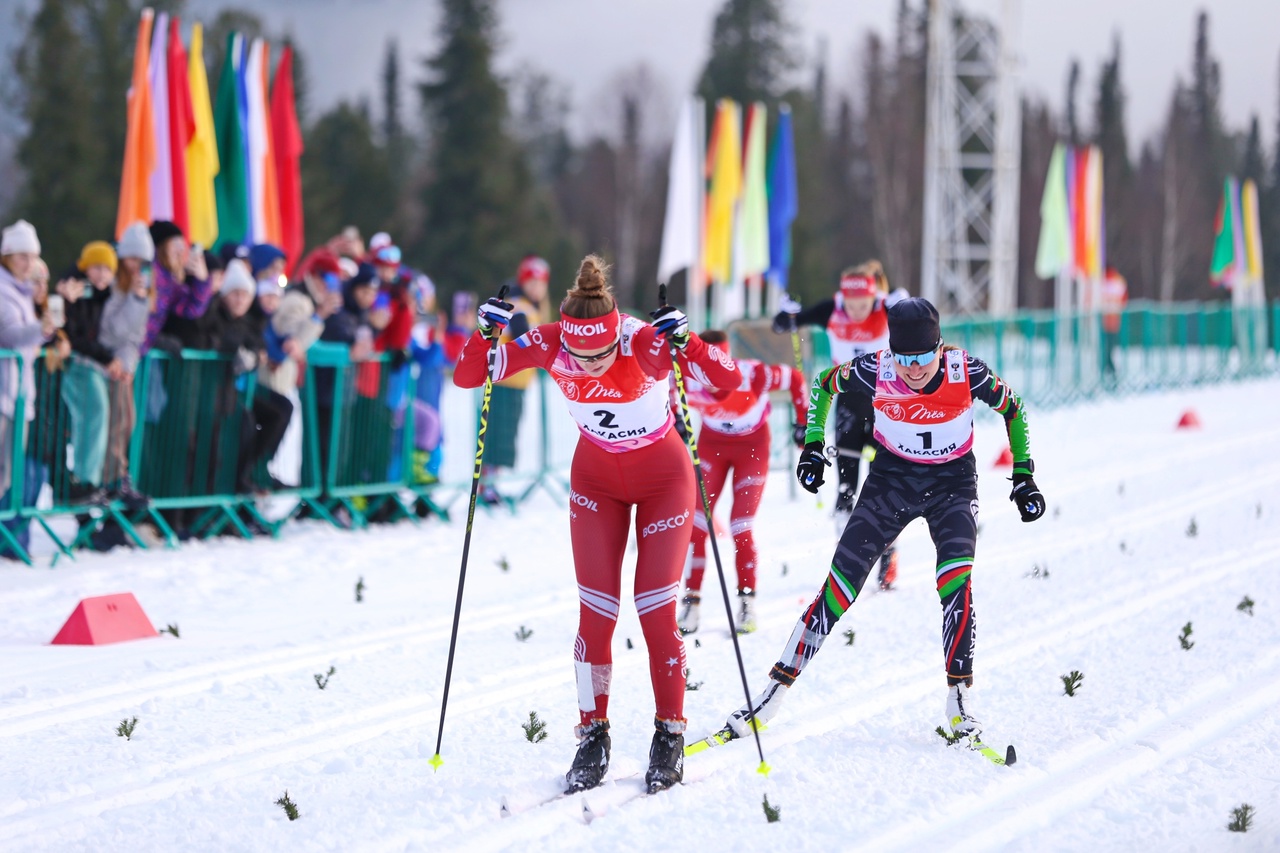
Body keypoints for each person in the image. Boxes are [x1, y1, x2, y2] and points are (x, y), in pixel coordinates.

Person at [453, 254, 740, 794]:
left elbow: (727, 382)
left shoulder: (639, 341)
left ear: (616, 337)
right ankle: (593, 734)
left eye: (599, 354)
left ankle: (669, 733)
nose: (587, 363)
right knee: (596, 613)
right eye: (577, 353)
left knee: (655, 612)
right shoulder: (549, 340)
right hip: (595, 481)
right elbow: (470, 375)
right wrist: (484, 334)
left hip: (663, 480)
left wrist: (689, 341)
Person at [719, 297, 1045, 745]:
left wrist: (1023, 477)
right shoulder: (877, 368)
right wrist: (814, 444)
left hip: (952, 485)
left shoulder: (965, 371)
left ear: (940, 348)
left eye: (923, 357)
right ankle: (771, 696)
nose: (913, 368)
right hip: (891, 481)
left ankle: (959, 699)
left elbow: (1014, 409)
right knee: (839, 587)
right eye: (903, 357)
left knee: (955, 582)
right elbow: (823, 386)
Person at [773, 259, 908, 589]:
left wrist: (906, 306)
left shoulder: (887, 308)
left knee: (883, 487)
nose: (858, 311)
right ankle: (849, 556)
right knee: (846, 487)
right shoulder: (831, 309)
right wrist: (786, 313)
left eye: (863, 305)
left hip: (885, 406)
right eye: (852, 305)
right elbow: (783, 326)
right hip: (847, 403)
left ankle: (888, 553)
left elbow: (927, 328)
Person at [675, 328, 808, 636]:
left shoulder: (754, 374)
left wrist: (803, 422)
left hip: (752, 446)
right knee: (696, 524)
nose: (710, 377)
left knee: (740, 526)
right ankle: (692, 603)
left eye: (716, 367)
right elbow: (664, 388)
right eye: (702, 368)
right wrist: (675, 418)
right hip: (712, 446)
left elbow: (796, 379)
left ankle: (747, 603)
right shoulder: (684, 373)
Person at [0, 220, 56, 558]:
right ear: (7, 255)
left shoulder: (21, 291)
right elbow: (11, 335)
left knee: (6, 474)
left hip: (16, 395)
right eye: (21, 256)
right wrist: (41, 328)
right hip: (3, 395)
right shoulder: (4, 290)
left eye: (31, 256)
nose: (27, 263)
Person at [479, 255, 550, 505]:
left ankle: (491, 485)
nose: (536, 289)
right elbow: (523, 335)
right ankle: (487, 487)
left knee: (505, 437)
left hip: (516, 383)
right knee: (498, 437)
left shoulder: (532, 306)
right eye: (532, 284)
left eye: (540, 284)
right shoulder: (519, 305)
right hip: (505, 382)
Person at [59, 241, 121, 502]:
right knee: (94, 413)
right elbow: (74, 334)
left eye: (107, 270)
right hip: (77, 363)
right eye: (96, 268)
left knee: (99, 417)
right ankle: (84, 479)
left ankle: (90, 479)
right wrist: (107, 357)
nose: (102, 275)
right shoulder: (75, 291)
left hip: (93, 363)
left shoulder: (103, 296)